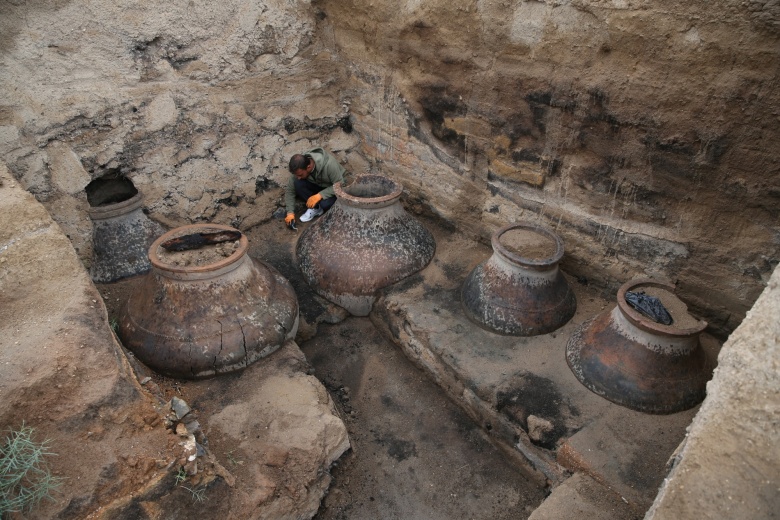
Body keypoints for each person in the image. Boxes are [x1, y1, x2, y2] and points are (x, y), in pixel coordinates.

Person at [284, 147, 347, 225]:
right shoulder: (299, 167)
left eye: (300, 175)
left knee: (325, 204)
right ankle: (315, 208)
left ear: (308, 167)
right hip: (318, 185)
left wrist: (320, 195)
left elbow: (340, 184)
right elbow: (290, 191)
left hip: (334, 188)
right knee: (298, 183)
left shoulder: (329, 164)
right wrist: (290, 213)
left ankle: (323, 207)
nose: (299, 177)